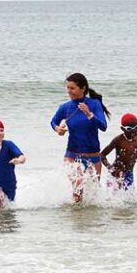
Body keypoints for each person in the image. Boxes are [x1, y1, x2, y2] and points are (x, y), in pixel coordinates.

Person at [50, 72, 109, 202]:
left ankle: (87, 221)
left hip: (93, 156)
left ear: (82, 88)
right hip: (72, 155)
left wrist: (89, 114)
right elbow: (53, 121)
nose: (69, 91)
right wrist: (57, 128)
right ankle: (76, 218)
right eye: (68, 88)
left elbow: (103, 126)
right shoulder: (65, 107)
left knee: (93, 196)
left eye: (72, 88)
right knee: (78, 187)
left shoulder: (94, 104)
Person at [100, 113, 137, 191]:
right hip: (116, 174)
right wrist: (111, 169)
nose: (134, 131)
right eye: (129, 129)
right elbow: (102, 155)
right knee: (114, 200)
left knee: (129, 199)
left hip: (129, 173)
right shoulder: (118, 140)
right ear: (122, 129)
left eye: (136, 128)